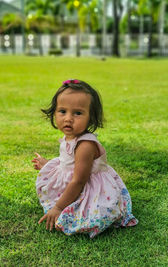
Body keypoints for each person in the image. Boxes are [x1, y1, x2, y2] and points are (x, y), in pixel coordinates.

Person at [32, 79, 138, 238]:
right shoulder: (70, 136)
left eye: (78, 113)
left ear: (91, 117)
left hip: (90, 187)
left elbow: (79, 181)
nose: (68, 118)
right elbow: (67, 163)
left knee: (81, 218)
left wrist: (59, 208)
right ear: (54, 112)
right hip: (77, 181)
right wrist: (48, 165)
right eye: (62, 111)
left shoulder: (85, 145)